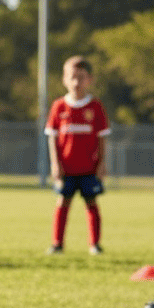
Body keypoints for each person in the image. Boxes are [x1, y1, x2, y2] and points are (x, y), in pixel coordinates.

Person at [46, 56, 110, 255]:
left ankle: (95, 244)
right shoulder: (59, 107)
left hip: (89, 168)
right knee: (62, 203)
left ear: (89, 79)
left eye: (81, 77)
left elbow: (102, 138)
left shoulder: (95, 107)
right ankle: (57, 244)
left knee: (91, 203)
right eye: (72, 77)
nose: (76, 82)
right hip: (66, 169)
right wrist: (55, 164)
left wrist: (102, 163)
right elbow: (52, 138)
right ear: (64, 79)